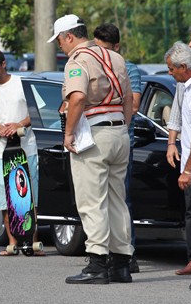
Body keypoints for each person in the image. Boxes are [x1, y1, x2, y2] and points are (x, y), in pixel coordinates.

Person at [48, 14, 134, 284]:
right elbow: (130, 99)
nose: (60, 47)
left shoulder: (78, 59)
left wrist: (70, 132)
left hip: (94, 133)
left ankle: (97, 263)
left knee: (91, 200)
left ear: (69, 36)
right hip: (119, 130)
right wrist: (121, 126)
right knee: (116, 200)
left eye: (60, 41)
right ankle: (121, 264)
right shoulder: (115, 57)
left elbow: (77, 97)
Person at [0, 48, 44, 257]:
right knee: (5, 197)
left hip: (26, 148)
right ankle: (12, 241)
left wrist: (19, 124)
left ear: (4, 64)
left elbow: (37, 112)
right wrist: (0, 129)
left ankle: (32, 240)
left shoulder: (22, 84)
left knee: (28, 196)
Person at [93, 23, 141, 273]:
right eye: (97, 47)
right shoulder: (95, 65)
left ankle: (125, 254)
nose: (101, 53)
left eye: (106, 48)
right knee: (102, 199)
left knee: (121, 199)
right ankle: (110, 254)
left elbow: (133, 105)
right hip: (102, 138)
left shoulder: (127, 68)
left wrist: (119, 126)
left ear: (117, 47)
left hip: (123, 139)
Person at [164, 42, 191, 292]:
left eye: (171, 69)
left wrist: (188, 169)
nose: (169, 73)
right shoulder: (190, 87)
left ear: (183, 67)